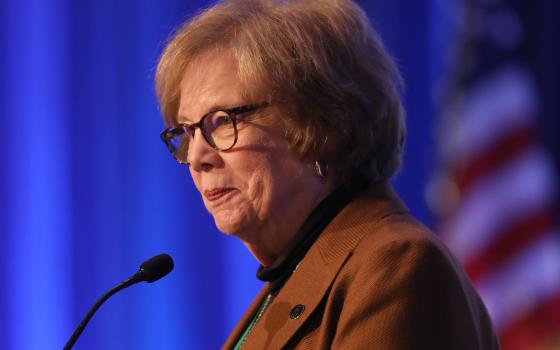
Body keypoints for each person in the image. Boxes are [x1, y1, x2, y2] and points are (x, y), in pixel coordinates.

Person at [155, 0, 500, 348]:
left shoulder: (395, 266)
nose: (198, 157)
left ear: (319, 125)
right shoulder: (292, 279)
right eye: (188, 131)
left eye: (222, 122)